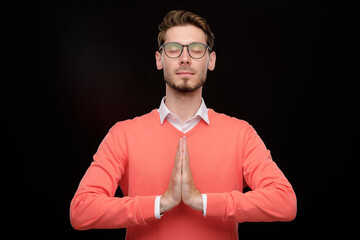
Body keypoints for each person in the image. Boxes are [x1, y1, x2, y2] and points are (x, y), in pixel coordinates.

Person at [70, 10, 297, 239]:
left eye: (196, 49)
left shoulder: (241, 135)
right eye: (174, 49)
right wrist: (161, 203)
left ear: (211, 60)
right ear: (160, 60)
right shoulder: (123, 135)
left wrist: (202, 201)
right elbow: (81, 210)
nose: (185, 58)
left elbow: (285, 201)